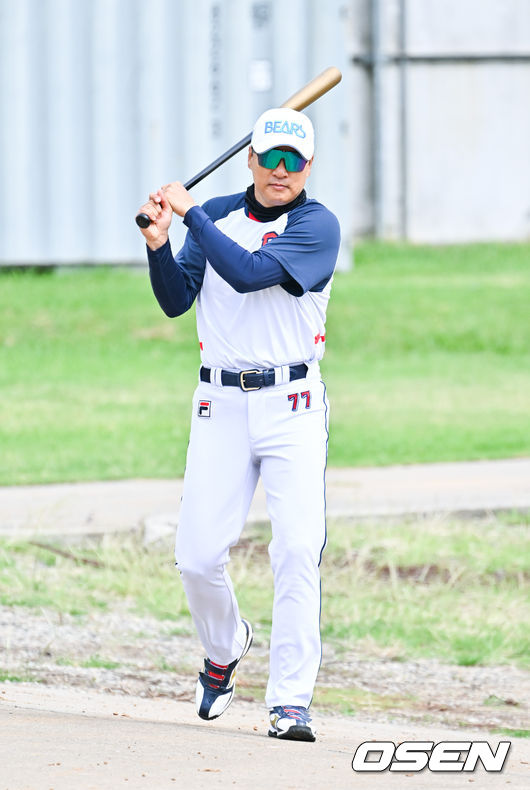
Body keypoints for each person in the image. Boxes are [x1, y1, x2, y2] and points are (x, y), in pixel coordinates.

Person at [137, 107, 340, 741]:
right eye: (270, 157)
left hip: (293, 404)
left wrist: (191, 213)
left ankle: (290, 702)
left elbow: (252, 276)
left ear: (307, 169)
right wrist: (160, 245)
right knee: (196, 558)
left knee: (297, 550)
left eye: (294, 161)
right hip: (219, 404)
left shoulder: (317, 224)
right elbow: (177, 300)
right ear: (250, 159)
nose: (281, 171)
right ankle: (224, 649)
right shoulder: (217, 214)